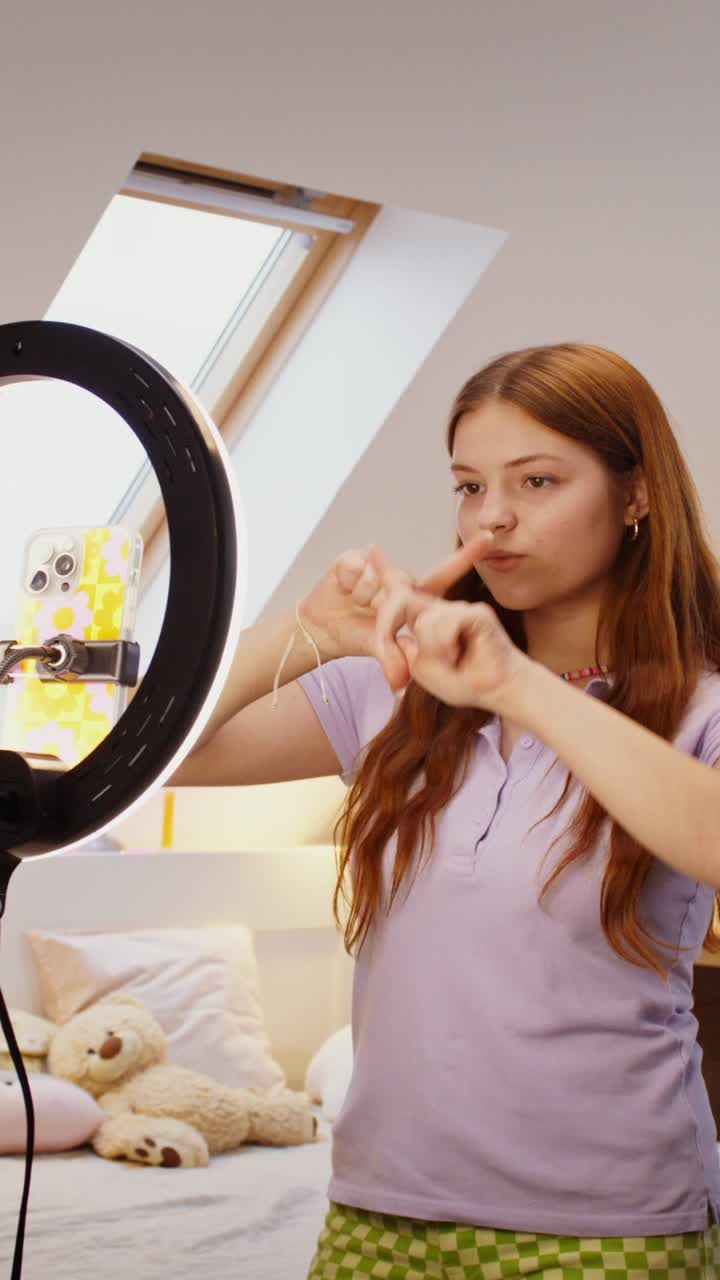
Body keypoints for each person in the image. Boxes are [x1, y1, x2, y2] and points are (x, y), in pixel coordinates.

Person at [172, 342, 720, 1278]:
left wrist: (515, 685)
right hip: (381, 1207)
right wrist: (303, 634)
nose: (493, 516)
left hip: (612, 1227)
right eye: (469, 486)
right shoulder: (394, 691)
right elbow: (157, 755)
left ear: (636, 495)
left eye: (537, 480)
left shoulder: (701, 707)